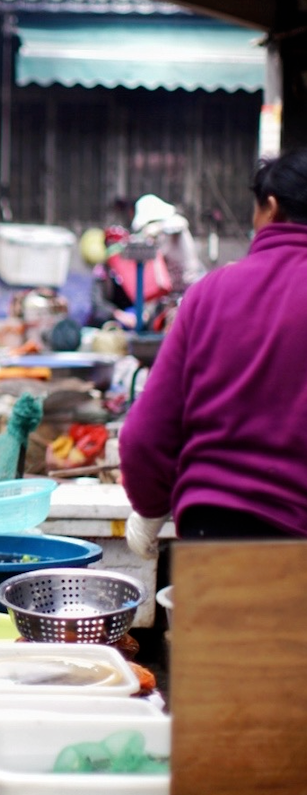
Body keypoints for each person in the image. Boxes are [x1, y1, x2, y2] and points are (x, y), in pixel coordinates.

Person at [120, 148, 307, 547]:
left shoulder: (211, 293)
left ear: (272, 208)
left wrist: (150, 507)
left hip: (214, 537)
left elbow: (145, 437)